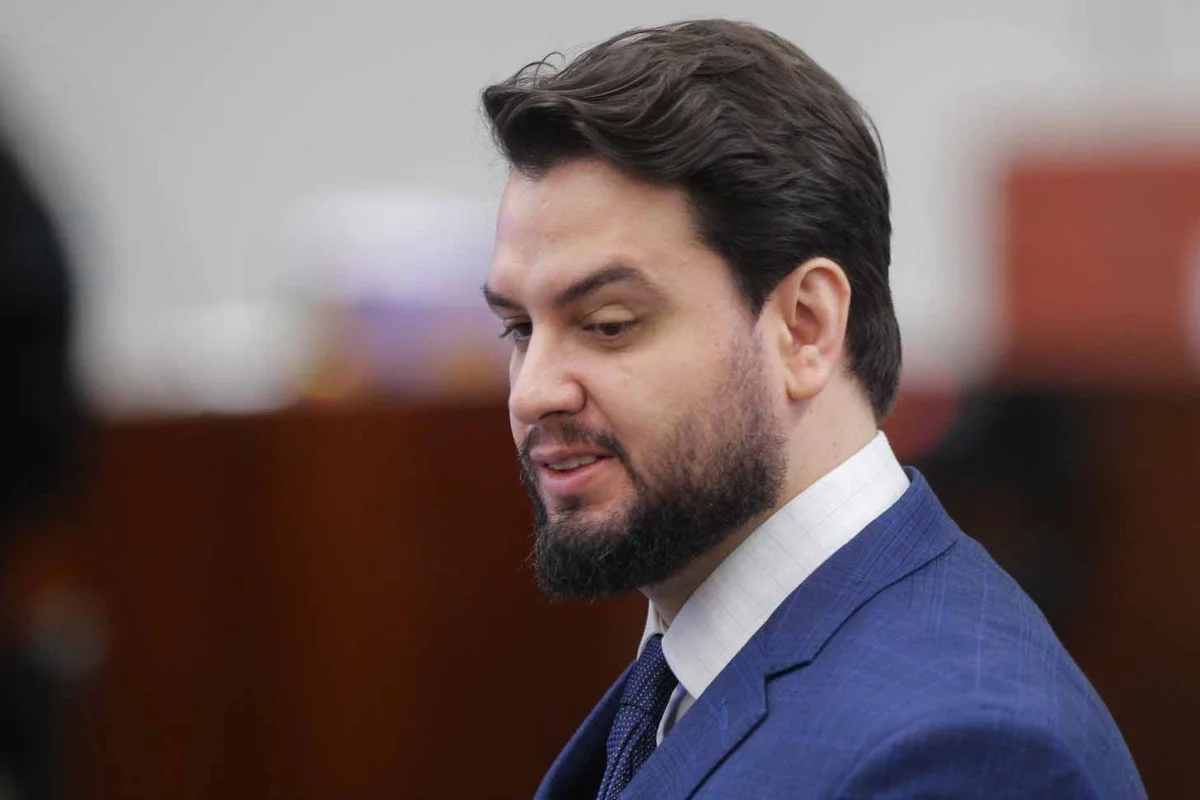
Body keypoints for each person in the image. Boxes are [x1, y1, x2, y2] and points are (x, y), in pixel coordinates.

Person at [479, 19, 1144, 799]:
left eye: (608, 324)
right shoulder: (690, 668)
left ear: (805, 327)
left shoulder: (961, 753)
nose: (532, 391)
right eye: (520, 329)